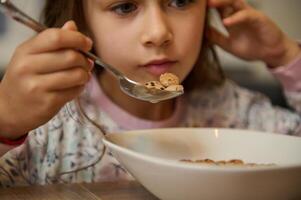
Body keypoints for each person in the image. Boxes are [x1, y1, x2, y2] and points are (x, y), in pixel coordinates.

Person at [0, 0, 300, 187]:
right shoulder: (46, 126)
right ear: (82, 22)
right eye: (125, 6)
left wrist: (285, 56)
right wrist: (5, 122)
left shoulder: (236, 113)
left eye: (180, 1)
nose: (158, 32)